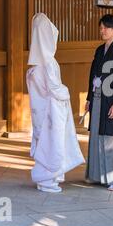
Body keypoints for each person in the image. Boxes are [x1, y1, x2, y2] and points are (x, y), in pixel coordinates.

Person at [26, 12, 85, 193]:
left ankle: (45, 176)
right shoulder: (49, 63)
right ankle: (49, 178)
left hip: (40, 111)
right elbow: (55, 89)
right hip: (52, 112)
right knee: (52, 143)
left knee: (43, 141)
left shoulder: (34, 67)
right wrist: (66, 91)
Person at [84, 14, 113, 191]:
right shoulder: (99, 50)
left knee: (112, 139)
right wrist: (89, 98)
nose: (101, 30)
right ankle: (98, 175)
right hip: (98, 99)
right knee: (97, 135)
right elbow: (93, 75)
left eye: (105, 27)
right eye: (101, 27)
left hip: (112, 100)